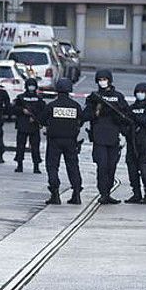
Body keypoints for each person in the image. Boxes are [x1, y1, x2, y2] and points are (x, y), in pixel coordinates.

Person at [85, 68, 131, 205]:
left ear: (109, 80)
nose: (102, 82)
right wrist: (96, 111)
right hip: (99, 137)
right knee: (102, 166)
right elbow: (86, 115)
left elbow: (126, 115)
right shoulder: (94, 97)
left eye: (104, 80)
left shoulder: (118, 97)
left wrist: (119, 120)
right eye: (100, 80)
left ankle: (108, 192)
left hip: (114, 137)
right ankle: (103, 193)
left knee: (111, 167)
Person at [39, 77, 85, 205]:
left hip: (54, 141)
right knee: (73, 167)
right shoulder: (75, 106)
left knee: (52, 166)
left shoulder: (52, 106)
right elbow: (81, 120)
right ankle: (76, 194)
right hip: (71, 141)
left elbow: (41, 120)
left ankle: (55, 194)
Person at [125, 82, 146, 204]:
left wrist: (137, 119)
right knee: (132, 171)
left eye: (143, 92)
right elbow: (124, 124)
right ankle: (136, 193)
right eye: (139, 92)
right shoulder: (131, 108)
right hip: (132, 144)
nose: (140, 94)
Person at [11, 78, 46, 174]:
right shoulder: (20, 98)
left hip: (34, 126)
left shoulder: (39, 99)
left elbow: (43, 111)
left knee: (35, 148)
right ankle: (19, 165)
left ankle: (36, 166)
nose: (31, 87)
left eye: (33, 85)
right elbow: (13, 109)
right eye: (30, 85)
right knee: (20, 147)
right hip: (22, 125)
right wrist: (22, 110)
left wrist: (36, 119)